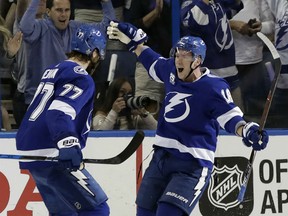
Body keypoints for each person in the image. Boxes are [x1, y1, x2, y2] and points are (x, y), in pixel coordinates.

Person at [107, 21, 269, 216]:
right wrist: (135, 44)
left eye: (185, 55)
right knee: (144, 213)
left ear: (197, 61)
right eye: (177, 54)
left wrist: (247, 130)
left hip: (192, 165)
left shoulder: (214, 87)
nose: (178, 60)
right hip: (161, 159)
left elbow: (231, 118)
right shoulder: (171, 71)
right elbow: (152, 61)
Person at [16, 25, 110, 215]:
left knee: (64, 213)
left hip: (32, 153)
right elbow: (58, 111)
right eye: (99, 54)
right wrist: (67, 142)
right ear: (93, 53)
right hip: (52, 152)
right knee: (97, 210)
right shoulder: (82, 77)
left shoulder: (54, 68)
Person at [19, 0, 115, 108]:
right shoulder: (40, 27)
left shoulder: (76, 29)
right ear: (48, 12)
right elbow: (24, 27)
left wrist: (105, 2)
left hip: (64, 101)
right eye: (59, 10)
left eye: (67, 10)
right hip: (38, 101)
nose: (63, 14)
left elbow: (108, 28)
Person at [180, 0, 244, 110]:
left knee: (238, 119)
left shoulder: (217, 2)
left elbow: (233, 8)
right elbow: (194, 22)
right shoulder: (189, 5)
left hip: (231, 74)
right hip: (208, 79)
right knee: (211, 121)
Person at [124, 0, 172, 119]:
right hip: (148, 64)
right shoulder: (140, 2)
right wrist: (155, 13)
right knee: (145, 114)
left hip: (177, 65)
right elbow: (132, 29)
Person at [229, 0, 274, 120]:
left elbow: (272, 24)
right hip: (225, 63)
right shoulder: (214, 3)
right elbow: (208, 23)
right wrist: (232, 24)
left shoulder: (258, 1)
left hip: (255, 61)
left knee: (257, 110)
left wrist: (261, 26)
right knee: (232, 111)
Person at [92, 77, 157, 130]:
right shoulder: (102, 115)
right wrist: (114, 112)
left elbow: (156, 129)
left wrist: (145, 114)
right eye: (122, 92)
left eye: (130, 93)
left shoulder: (134, 117)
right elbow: (100, 135)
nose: (127, 96)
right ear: (113, 95)